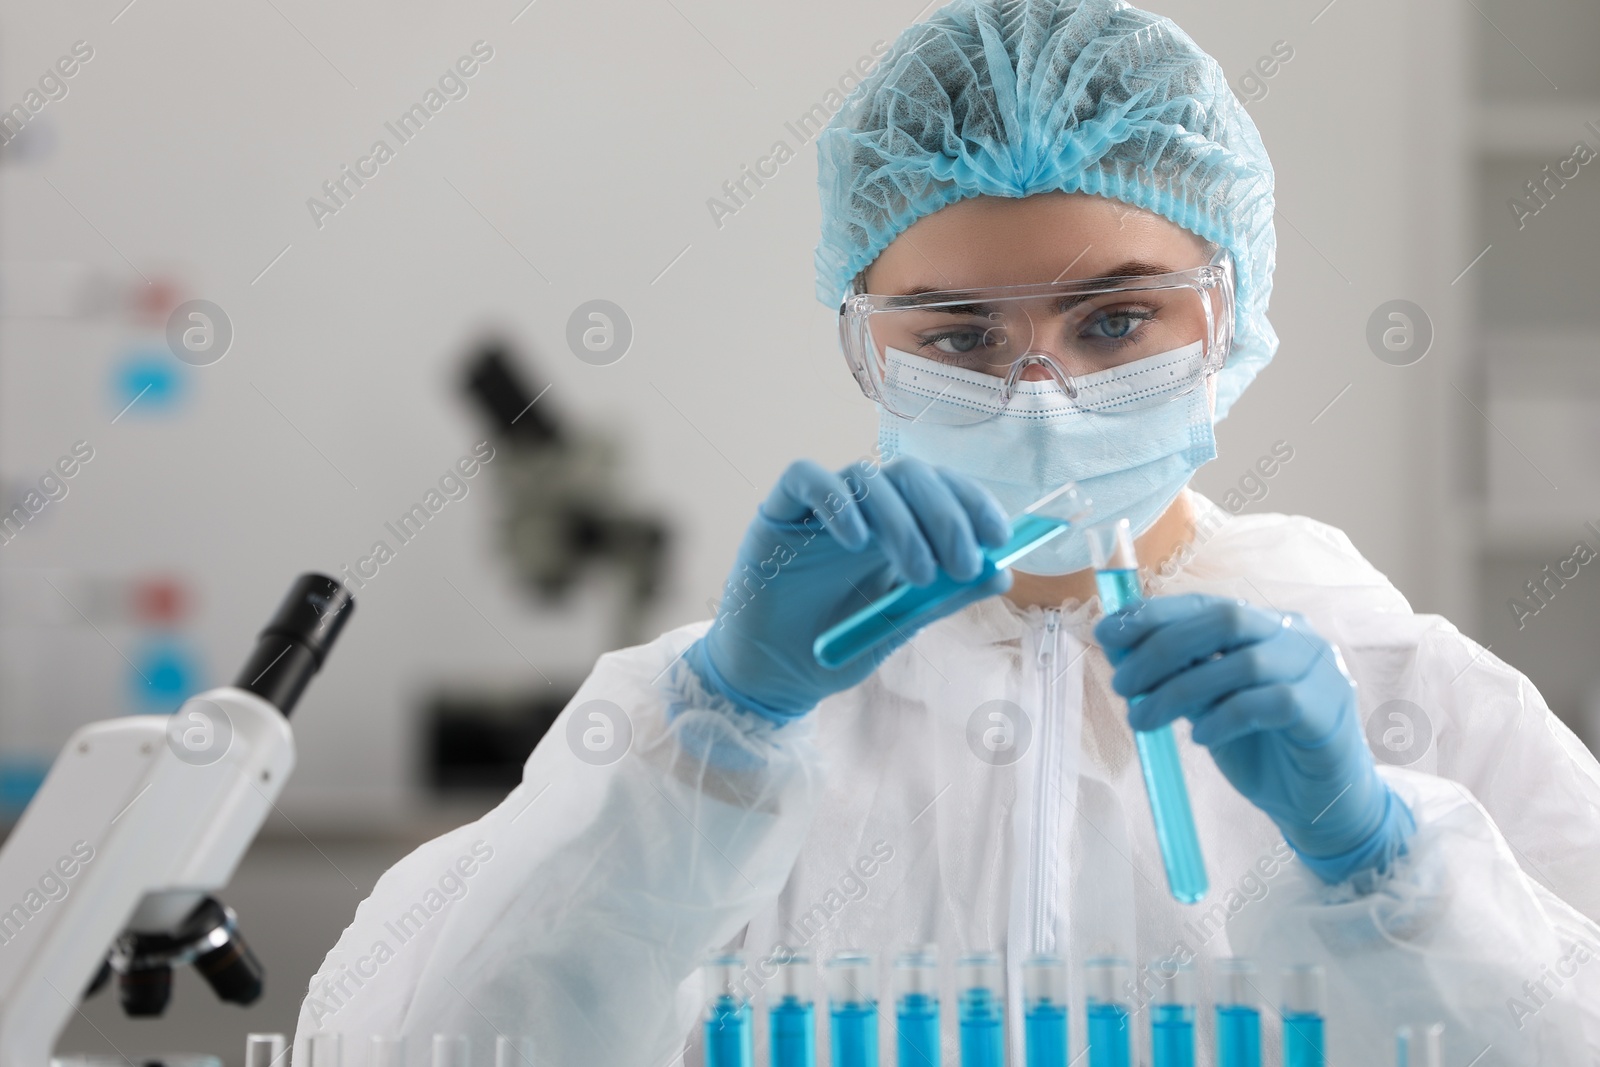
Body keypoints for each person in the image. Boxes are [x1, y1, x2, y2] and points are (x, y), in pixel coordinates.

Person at [296, 1, 1600, 1062]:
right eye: (960, 337)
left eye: (1114, 320)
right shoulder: (715, 726)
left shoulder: (1407, 700)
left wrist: (1384, 861)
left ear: (1229, 316)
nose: (1038, 393)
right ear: (870, 351)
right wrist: (715, 739)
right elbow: (431, 1047)